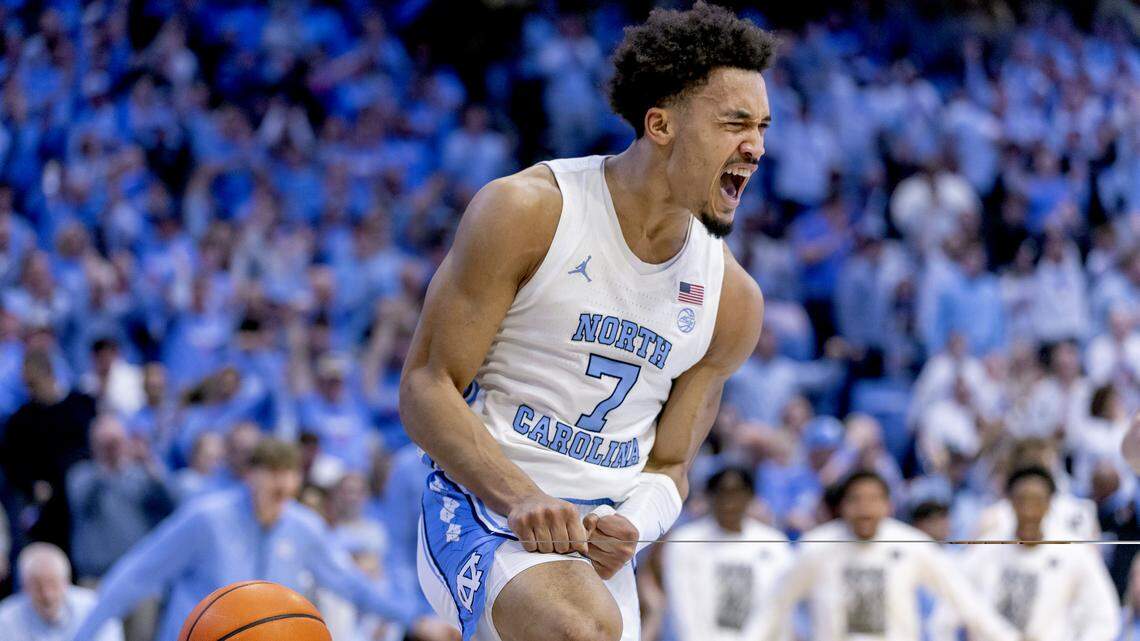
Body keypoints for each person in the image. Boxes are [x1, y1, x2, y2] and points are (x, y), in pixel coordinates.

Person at [399, 5, 773, 641]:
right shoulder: (527, 211)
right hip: (485, 506)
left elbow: (671, 465)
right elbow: (425, 387)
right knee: (580, 628)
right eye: (735, 123)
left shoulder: (733, 299)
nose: (757, 146)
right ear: (660, 124)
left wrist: (638, 523)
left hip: (598, 549)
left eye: (762, 127)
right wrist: (519, 496)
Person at [68, 439, 457, 641]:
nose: (282, 483)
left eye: (289, 474)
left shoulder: (303, 527)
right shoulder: (207, 518)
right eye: (272, 472)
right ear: (249, 475)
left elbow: (351, 583)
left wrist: (414, 619)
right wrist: (83, 634)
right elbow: (139, 573)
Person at [758, 470, 1021, 641]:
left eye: (873, 499)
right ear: (842, 506)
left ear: (888, 505)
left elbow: (964, 599)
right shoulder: (816, 547)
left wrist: (1007, 636)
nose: (865, 508)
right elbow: (775, 604)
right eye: (856, 500)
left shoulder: (911, 545)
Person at [962, 466, 1120, 641]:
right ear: (1010, 503)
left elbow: (1104, 616)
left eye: (1037, 501)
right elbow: (949, 608)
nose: (1029, 511)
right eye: (1022, 501)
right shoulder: (987, 548)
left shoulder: (1073, 551)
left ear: (1049, 504)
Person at [662, 465, 793, 641]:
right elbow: (683, 609)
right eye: (721, 492)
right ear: (709, 496)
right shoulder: (684, 542)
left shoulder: (775, 544)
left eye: (737, 492)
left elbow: (778, 608)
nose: (728, 501)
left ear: (751, 496)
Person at [0, 543, 123, 641]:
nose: (47, 594)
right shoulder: (5, 619)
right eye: (37, 586)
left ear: (66, 582)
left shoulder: (94, 609)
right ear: (24, 587)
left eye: (52, 584)